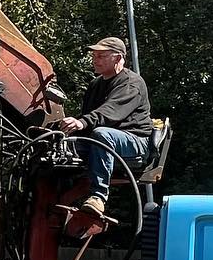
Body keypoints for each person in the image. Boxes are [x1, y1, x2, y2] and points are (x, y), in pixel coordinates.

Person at [56, 36, 152, 215]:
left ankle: (98, 197)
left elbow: (110, 112)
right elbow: (87, 118)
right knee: (58, 146)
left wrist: (82, 122)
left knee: (102, 135)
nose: (95, 60)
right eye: (94, 55)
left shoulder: (132, 83)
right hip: (102, 138)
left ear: (118, 58)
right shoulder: (95, 84)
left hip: (134, 141)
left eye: (101, 56)